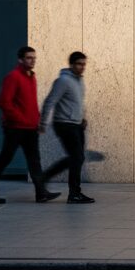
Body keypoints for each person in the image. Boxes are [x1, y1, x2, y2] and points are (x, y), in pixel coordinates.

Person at [0, 46, 60, 205]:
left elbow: (29, 103)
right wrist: (20, 119)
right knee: (5, 159)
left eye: (34, 58)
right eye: (29, 58)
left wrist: (36, 120)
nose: (32, 61)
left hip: (30, 128)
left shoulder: (32, 77)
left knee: (34, 160)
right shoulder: (13, 77)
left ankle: (41, 193)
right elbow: (4, 102)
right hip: (14, 128)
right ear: (20, 59)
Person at [40, 51, 94, 204]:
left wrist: (82, 118)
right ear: (71, 65)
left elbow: (77, 102)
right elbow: (50, 101)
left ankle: (46, 178)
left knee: (77, 158)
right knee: (76, 157)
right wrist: (43, 123)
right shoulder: (63, 81)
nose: (82, 67)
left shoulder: (79, 81)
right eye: (79, 64)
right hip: (64, 124)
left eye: (84, 64)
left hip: (76, 125)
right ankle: (74, 194)